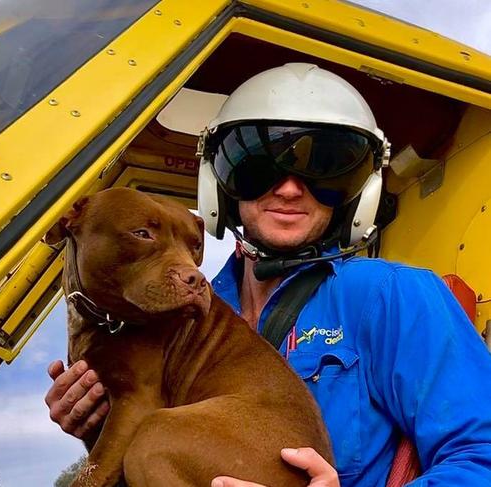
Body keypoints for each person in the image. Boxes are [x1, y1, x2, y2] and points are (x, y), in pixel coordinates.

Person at [45, 63, 491, 486]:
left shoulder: (394, 295)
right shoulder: (174, 309)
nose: (290, 188)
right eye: (257, 164)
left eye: (326, 168)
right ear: (219, 180)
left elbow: (482, 456)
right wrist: (98, 426)